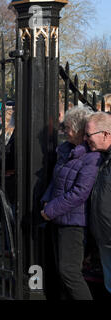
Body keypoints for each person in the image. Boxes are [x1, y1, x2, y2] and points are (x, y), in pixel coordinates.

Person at [41, 106, 100, 300]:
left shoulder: (91, 158)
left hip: (74, 223)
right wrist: (46, 202)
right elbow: (56, 180)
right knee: (62, 271)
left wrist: (51, 209)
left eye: (67, 127)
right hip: (59, 217)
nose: (64, 131)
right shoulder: (67, 152)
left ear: (78, 129)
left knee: (69, 272)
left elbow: (80, 193)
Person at [84, 112, 111, 294]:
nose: (85, 139)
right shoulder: (102, 158)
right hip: (104, 237)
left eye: (89, 134)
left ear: (106, 134)